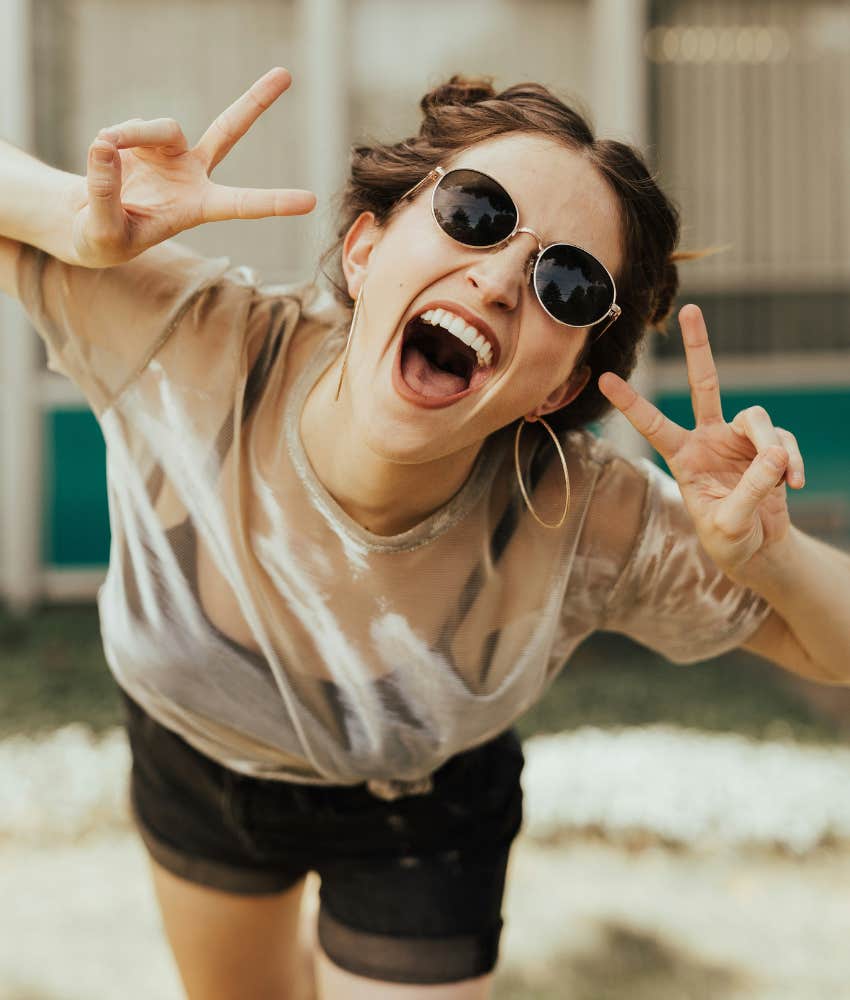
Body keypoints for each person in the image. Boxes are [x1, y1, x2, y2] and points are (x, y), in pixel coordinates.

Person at [0, 66, 847, 1000]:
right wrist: (75, 218)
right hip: (192, 753)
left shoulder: (586, 515)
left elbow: (833, 647)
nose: (495, 280)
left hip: (424, 808)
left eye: (567, 282)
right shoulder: (189, 337)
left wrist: (772, 554)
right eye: (478, 214)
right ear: (365, 251)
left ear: (561, 388)